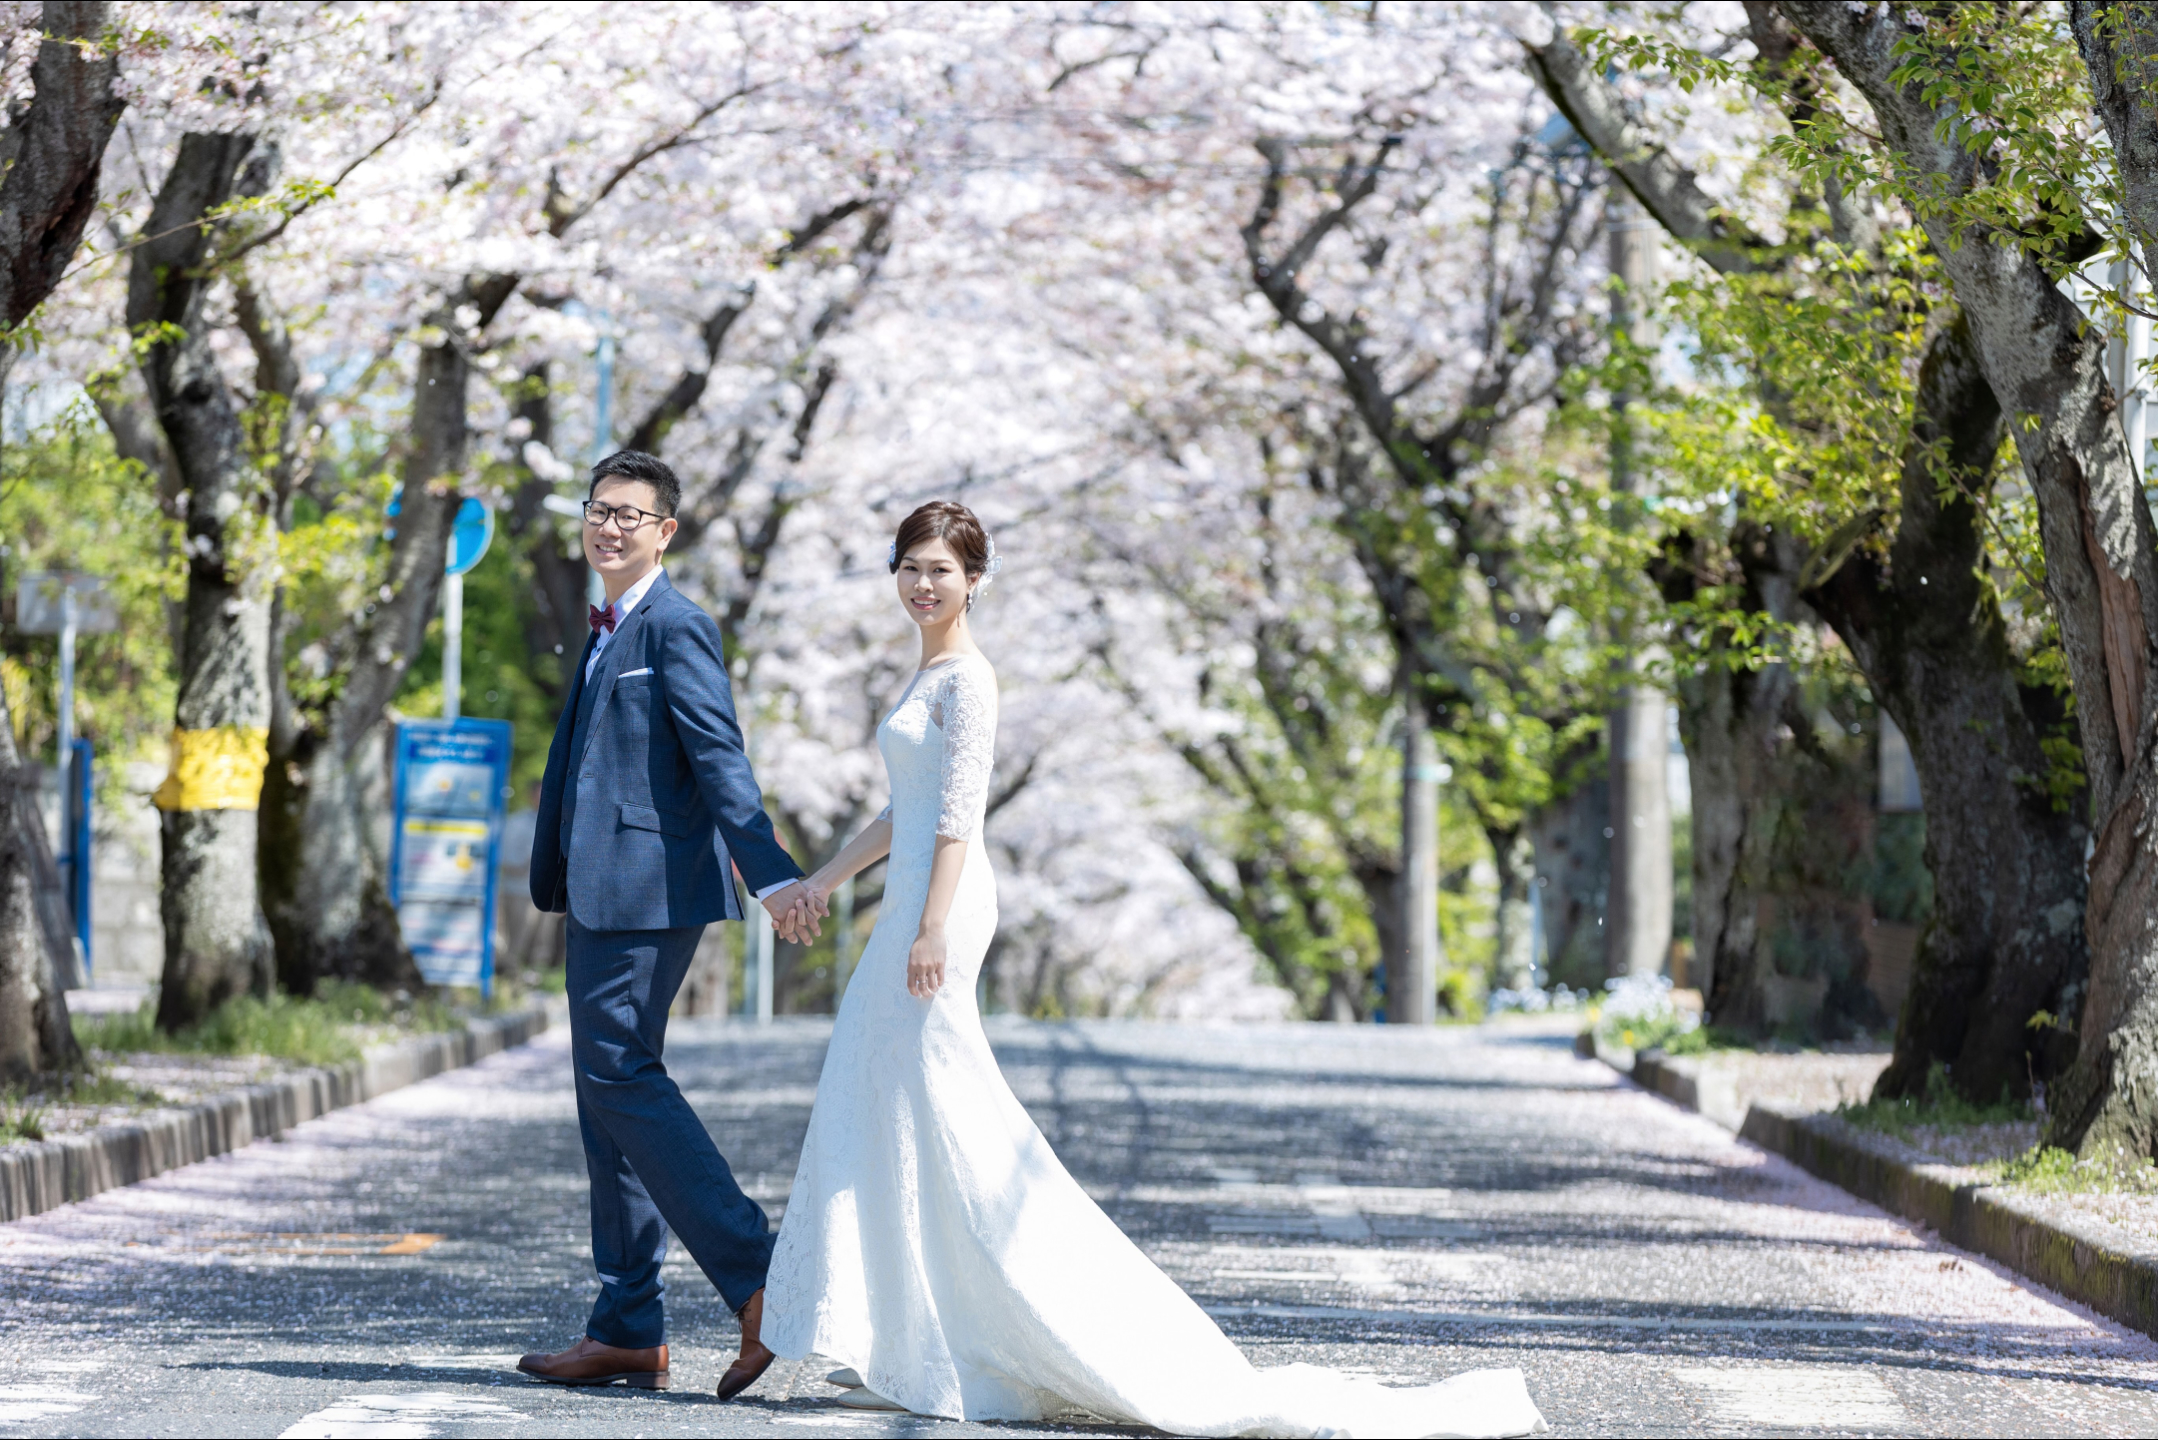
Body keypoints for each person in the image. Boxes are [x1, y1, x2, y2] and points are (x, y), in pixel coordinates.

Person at [762, 501, 1546, 1438]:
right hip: (911, 901)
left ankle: (1002, 1326)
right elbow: (905, 809)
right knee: (886, 1093)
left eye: (941, 569)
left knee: (938, 1095)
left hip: (943, 905)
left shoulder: (970, 681)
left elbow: (958, 813)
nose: (923, 584)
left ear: (976, 578)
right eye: (910, 567)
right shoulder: (925, 671)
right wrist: (821, 878)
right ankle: (912, 1332)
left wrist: (931, 927)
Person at [516, 450, 826, 1400]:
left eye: (629, 515)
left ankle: (758, 1276)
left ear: (665, 532)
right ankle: (626, 1324)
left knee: (620, 1076)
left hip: (650, 889)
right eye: (597, 510)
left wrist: (771, 876)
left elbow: (720, 757)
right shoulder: (606, 626)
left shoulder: (676, 626)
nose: (608, 527)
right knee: (602, 1094)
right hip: (599, 886)